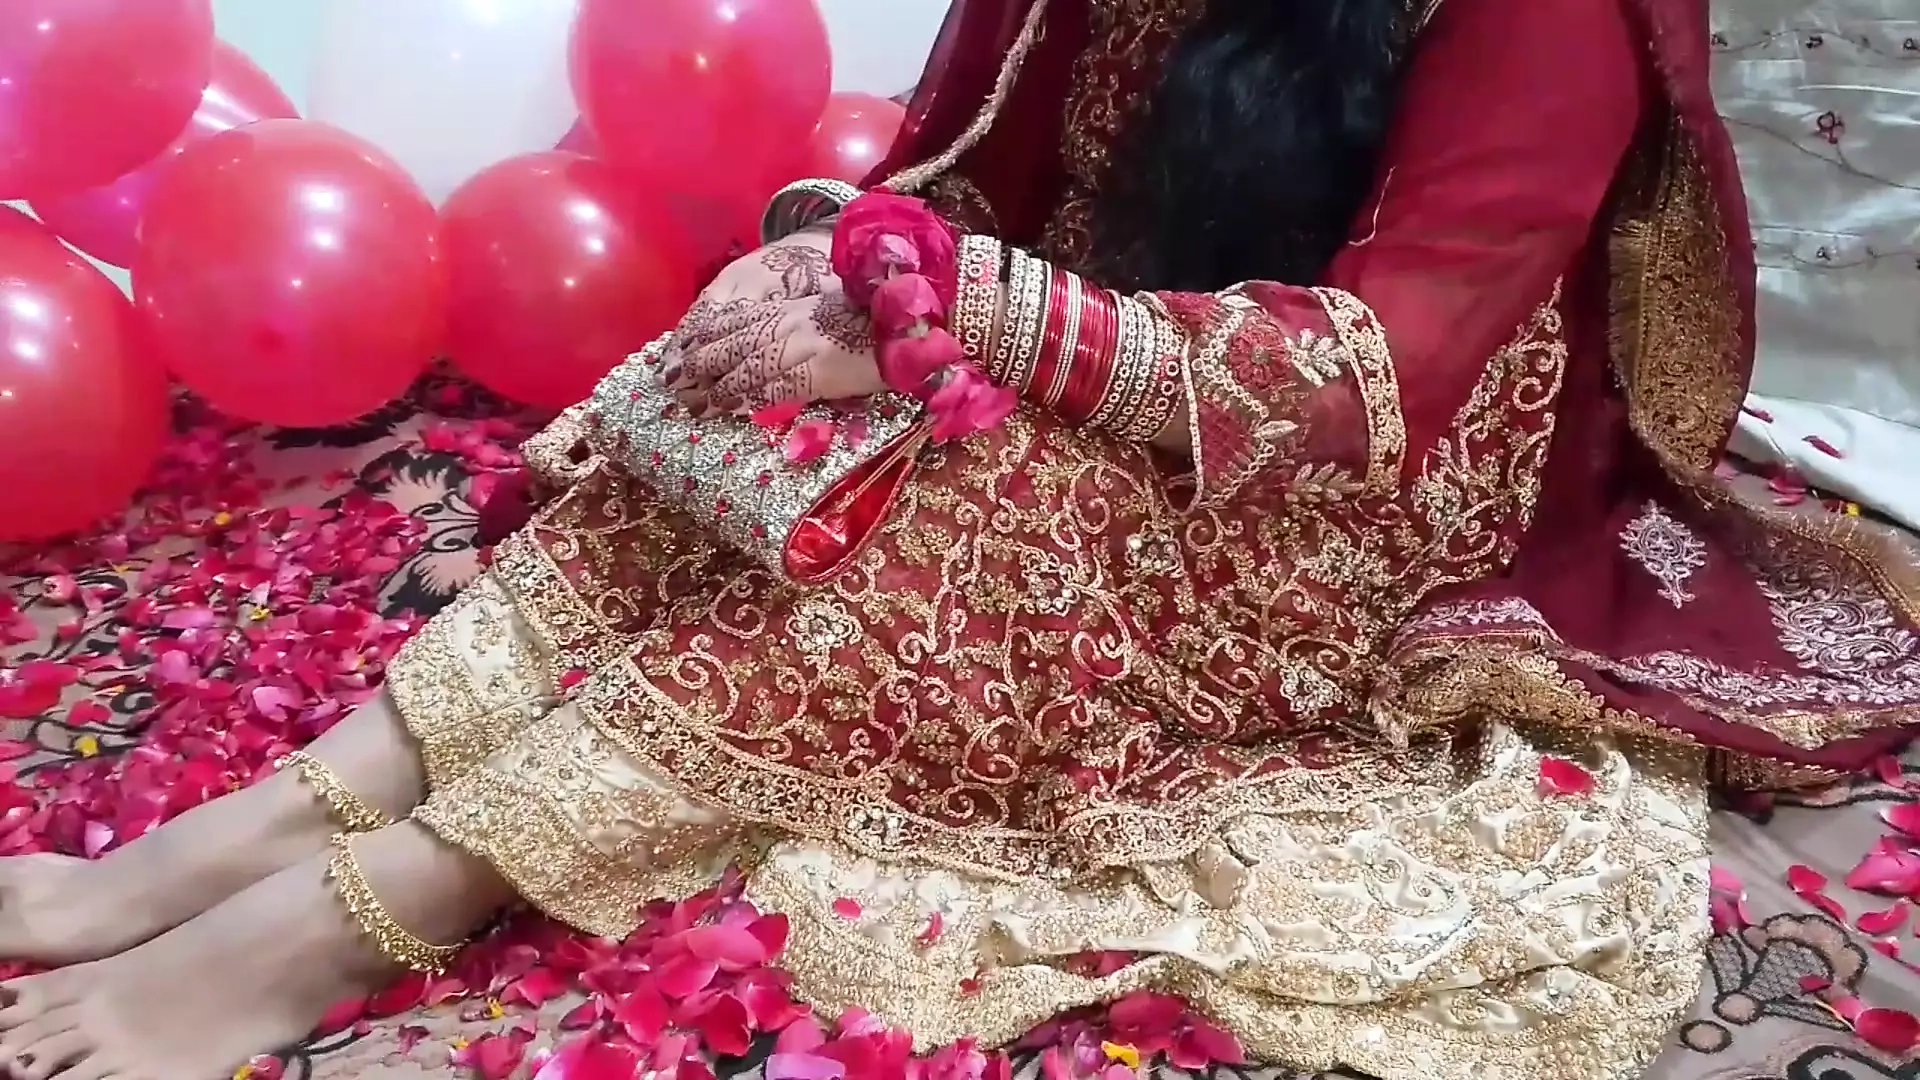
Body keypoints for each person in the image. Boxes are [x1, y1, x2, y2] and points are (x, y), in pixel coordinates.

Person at [1, 0, 1918, 1077]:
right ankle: (307, 798)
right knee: (725, 383)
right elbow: (985, 176)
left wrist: (980, 327)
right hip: (1117, 336)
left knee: (968, 507)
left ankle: (388, 896)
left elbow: (1377, 369)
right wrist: (842, 278)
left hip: (1368, 466)